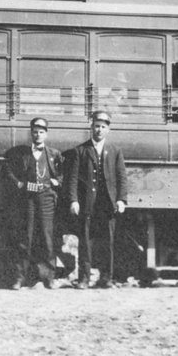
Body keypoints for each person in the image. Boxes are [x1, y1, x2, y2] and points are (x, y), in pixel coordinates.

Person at [64, 110, 129, 288]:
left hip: (107, 204)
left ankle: (106, 279)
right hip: (87, 203)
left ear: (108, 130)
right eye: (96, 126)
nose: (99, 130)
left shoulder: (115, 151)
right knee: (85, 242)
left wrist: (121, 199)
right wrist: (73, 200)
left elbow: (121, 177)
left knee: (108, 242)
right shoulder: (80, 151)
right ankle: (84, 279)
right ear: (91, 128)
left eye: (103, 127)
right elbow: (72, 179)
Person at [2, 117, 64, 289]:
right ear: (31, 133)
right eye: (35, 132)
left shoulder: (54, 154)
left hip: (46, 198)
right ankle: (20, 278)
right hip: (27, 199)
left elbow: (63, 173)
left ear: (46, 134)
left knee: (47, 237)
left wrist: (56, 182)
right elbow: (7, 169)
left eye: (41, 132)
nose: (38, 135)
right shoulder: (19, 153)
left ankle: (49, 277)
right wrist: (18, 184)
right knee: (25, 238)